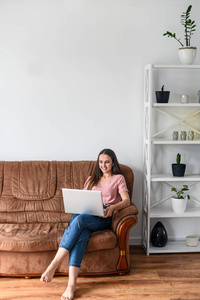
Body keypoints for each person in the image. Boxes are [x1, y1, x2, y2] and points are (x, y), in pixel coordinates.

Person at [40, 148, 130, 300]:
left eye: (107, 162)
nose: (103, 165)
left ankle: (54, 263)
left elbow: (127, 201)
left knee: (79, 220)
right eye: (101, 162)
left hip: (104, 216)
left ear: (113, 162)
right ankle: (71, 285)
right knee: (81, 230)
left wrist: (113, 207)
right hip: (85, 214)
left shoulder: (118, 178)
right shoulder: (92, 179)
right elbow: (82, 198)